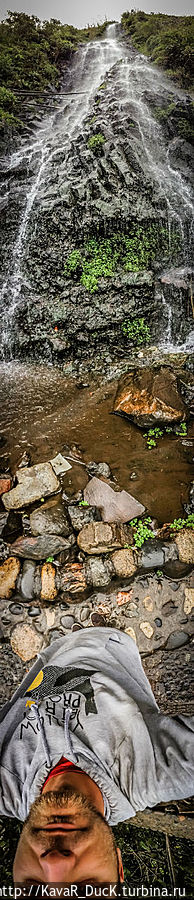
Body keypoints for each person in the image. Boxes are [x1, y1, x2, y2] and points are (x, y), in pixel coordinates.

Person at [0, 626, 193, 886]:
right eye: (85, 888)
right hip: (120, 627)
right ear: (118, 866)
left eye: (34, 891)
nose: (54, 863)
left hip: (40, 633)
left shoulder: (6, 785)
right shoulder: (148, 775)